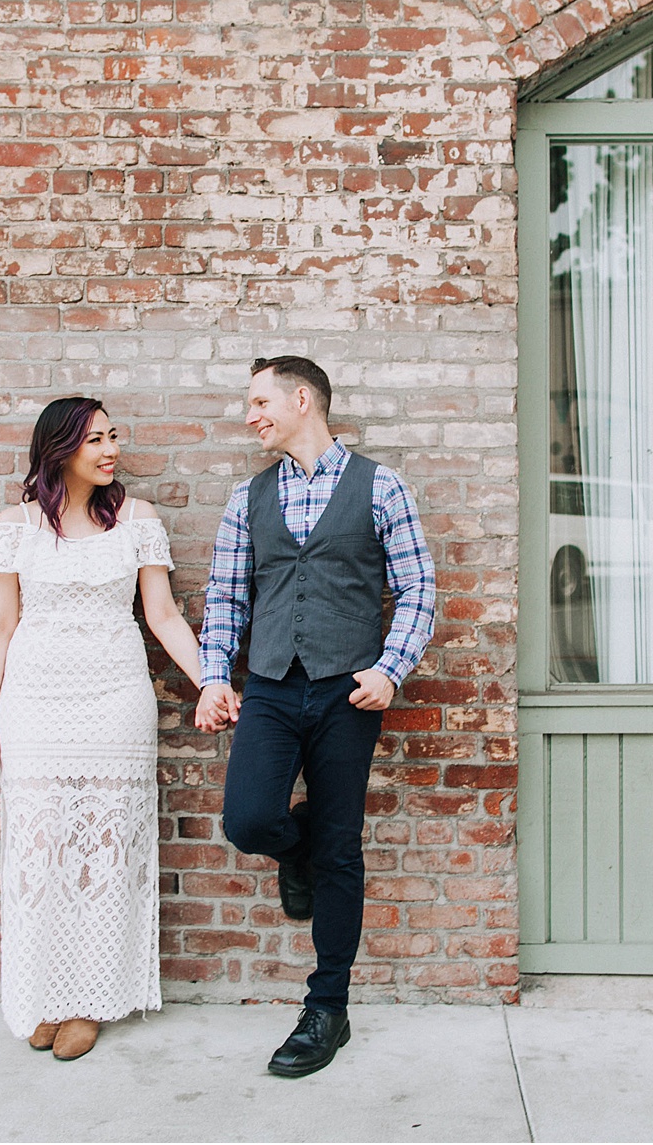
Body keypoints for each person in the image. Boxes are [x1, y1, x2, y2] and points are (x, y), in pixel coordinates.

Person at [195, 356, 436, 1078]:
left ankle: (328, 1006)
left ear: (304, 400)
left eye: (261, 400)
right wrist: (215, 679)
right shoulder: (248, 496)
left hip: (346, 692)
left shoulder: (380, 486)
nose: (251, 415)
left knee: (339, 847)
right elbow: (225, 597)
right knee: (249, 821)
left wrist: (389, 669)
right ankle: (291, 847)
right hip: (269, 686)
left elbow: (419, 588)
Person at [0, 395, 203, 1061]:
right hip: (37, 700)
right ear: (60, 449)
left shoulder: (137, 520)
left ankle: (86, 999)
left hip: (114, 700)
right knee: (40, 852)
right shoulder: (16, 527)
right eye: (95, 439)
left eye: (113, 436)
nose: (111, 449)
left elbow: (161, 615)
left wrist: (208, 679)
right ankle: (44, 992)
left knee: (103, 856)